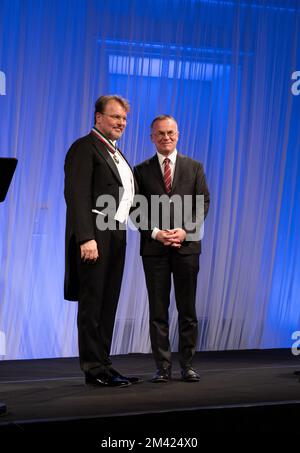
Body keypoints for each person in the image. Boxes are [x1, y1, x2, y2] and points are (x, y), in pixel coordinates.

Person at [64, 95, 142, 387]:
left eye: (123, 118)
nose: (121, 123)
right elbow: (77, 195)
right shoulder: (85, 148)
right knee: (92, 304)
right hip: (95, 233)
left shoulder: (116, 153)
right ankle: (93, 368)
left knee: (108, 303)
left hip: (116, 233)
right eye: (115, 117)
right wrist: (86, 237)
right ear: (98, 118)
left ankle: (105, 365)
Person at [134, 115, 210, 383]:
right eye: (160, 134)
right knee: (158, 311)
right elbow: (134, 209)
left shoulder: (195, 167)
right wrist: (156, 233)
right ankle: (162, 367)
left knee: (187, 309)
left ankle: (187, 365)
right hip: (154, 251)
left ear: (178, 134)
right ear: (151, 137)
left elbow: (203, 203)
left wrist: (185, 231)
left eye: (170, 133)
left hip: (186, 248)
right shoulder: (140, 171)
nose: (166, 137)